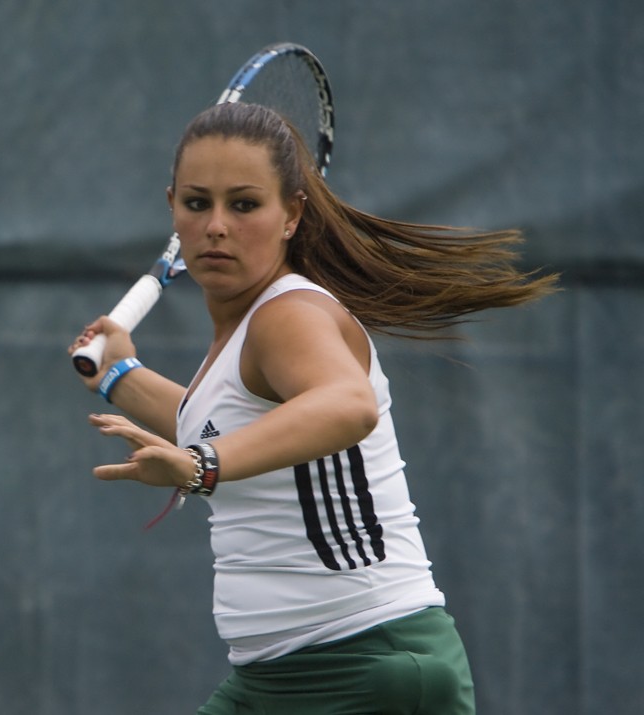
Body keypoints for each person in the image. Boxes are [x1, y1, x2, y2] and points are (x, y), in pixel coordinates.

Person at [68, 102, 558, 714]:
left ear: (292, 215)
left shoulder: (288, 315)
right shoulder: (245, 331)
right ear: (173, 207)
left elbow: (348, 405)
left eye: (244, 205)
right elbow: (219, 422)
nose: (216, 225)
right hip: (275, 679)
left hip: (368, 666)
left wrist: (200, 465)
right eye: (197, 203)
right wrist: (119, 375)